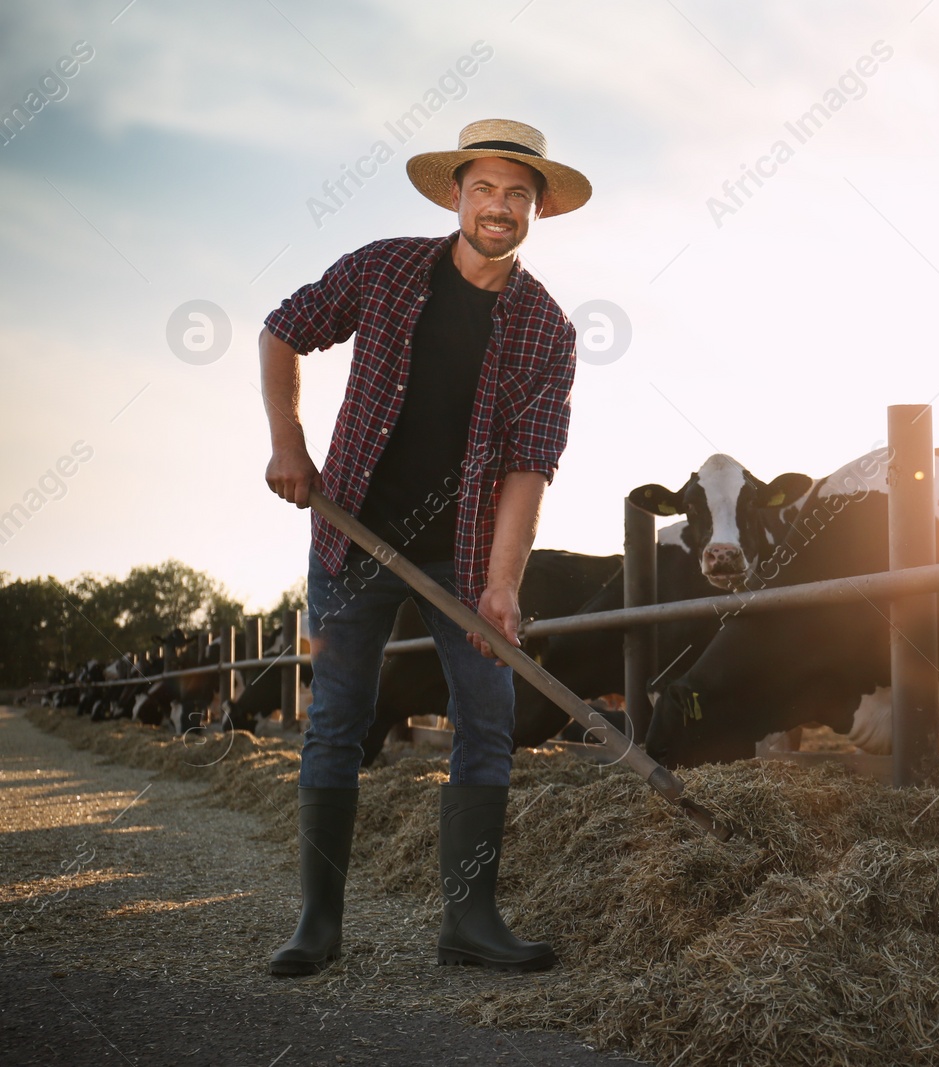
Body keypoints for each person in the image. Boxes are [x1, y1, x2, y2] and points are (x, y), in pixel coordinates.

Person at [257, 119, 588, 976]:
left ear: (538, 210)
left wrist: (504, 587)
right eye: (485, 188)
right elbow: (281, 330)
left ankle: (470, 921)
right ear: (456, 195)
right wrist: (288, 442)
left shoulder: (547, 329)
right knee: (335, 722)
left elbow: (529, 466)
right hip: (351, 534)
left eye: (518, 193)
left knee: (489, 722)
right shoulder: (387, 268)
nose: (500, 206)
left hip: (465, 557)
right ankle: (318, 924)